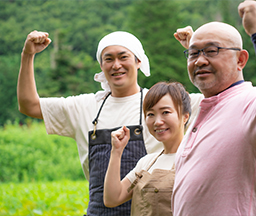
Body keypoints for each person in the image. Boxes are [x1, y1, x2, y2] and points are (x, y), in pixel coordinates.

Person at [17, 30, 203, 215]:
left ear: (139, 61)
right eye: (109, 59)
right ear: (101, 65)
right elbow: (29, 105)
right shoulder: (83, 106)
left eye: (123, 57)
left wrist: (195, 49)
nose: (116, 65)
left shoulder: (160, 102)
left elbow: (222, 97)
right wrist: (28, 55)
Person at [171, 0, 256, 215]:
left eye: (212, 50)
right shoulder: (201, 108)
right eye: (193, 54)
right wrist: (203, 49)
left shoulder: (252, 103)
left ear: (241, 60)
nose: (199, 61)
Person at [103, 81, 191, 216]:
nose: (157, 122)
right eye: (150, 114)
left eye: (165, 112)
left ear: (185, 117)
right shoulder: (147, 162)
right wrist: (116, 151)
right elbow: (112, 198)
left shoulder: (193, 159)